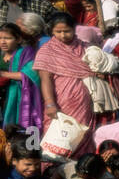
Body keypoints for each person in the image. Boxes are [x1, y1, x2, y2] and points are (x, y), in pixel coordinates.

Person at [34, 12, 98, 157]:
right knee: (59, 137)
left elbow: (97, 67)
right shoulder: (47, 51)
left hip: (84, 103)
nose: (63, 35)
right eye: (58, 32)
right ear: (52, 31)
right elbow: (46, 79)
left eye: (67, 31)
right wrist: (50, 103)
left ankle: (83, 167)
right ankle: (55, 170)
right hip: (60, 101)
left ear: (74, 29)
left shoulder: (85, 47)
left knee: (81, 135)